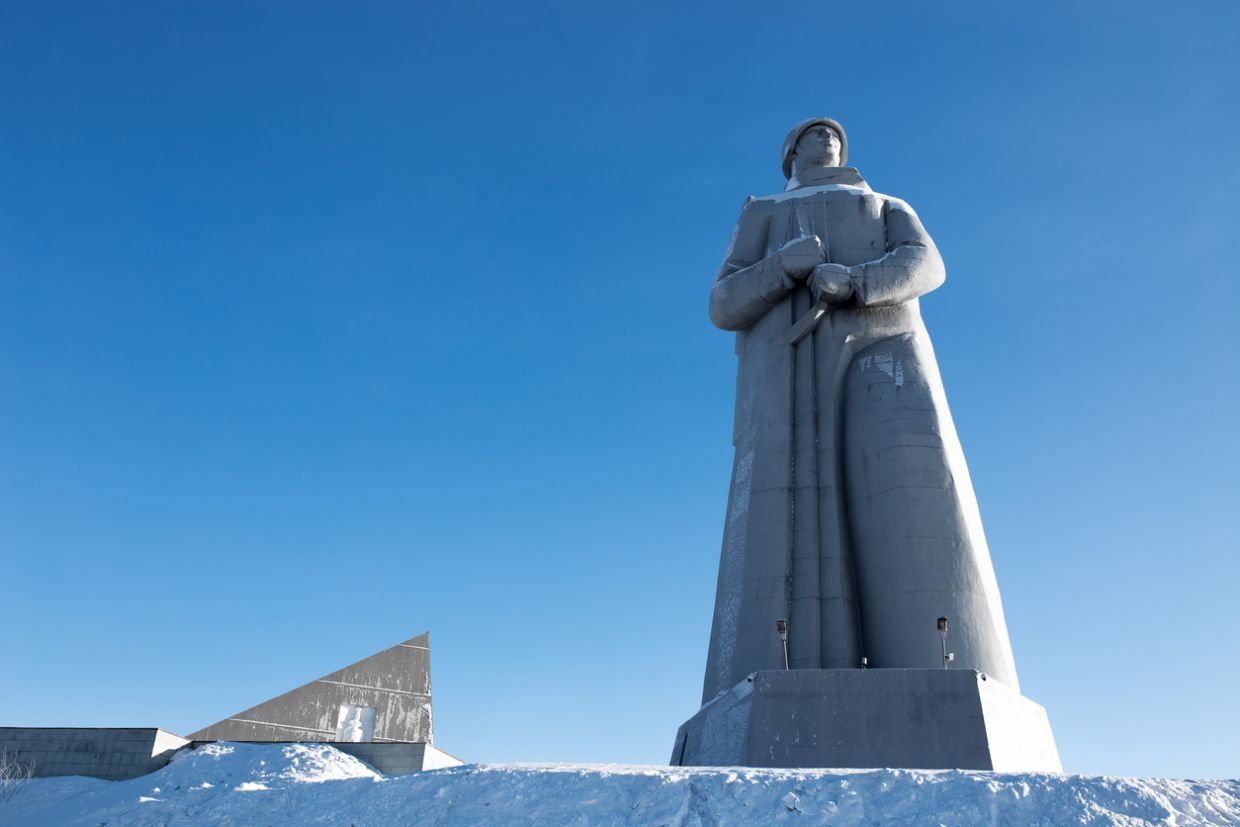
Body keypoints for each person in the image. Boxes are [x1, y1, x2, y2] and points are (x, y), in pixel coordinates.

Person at [701, 117, 1020, 703]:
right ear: (790, 153)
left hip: (887, 348)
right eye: (812, 135)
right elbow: (722, 302)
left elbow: (926, 263)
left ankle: (941, 672)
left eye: (834, 135)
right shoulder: (763, 212)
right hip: (786, 376)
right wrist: (781, 268)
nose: (827, 140)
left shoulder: (885, 205)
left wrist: (856, 281)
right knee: (785, 531)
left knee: (916, 508)